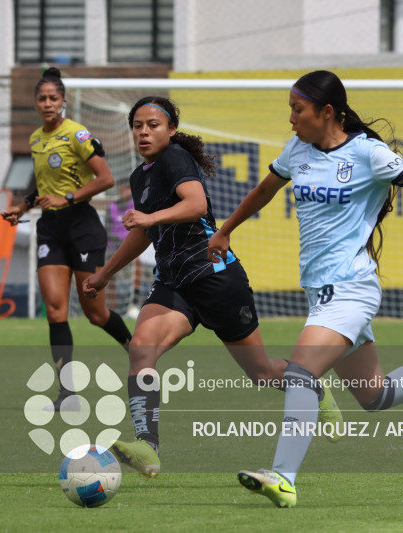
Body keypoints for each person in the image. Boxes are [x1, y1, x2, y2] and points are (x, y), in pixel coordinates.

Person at [206, 70, 403, 508]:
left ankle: (283, 477)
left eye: (298, 110)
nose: (291, 119)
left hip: (350, 288)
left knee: (300, 373)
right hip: (321, 292)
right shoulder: (298, 150)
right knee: (375, 395)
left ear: (327, 111)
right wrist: (225, 231)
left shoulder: (368, 153)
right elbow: (264, 189)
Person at [82, 96, 342, 479]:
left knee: (262, 373)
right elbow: (144, 233)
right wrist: (105, 274)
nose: (144, 131)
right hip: (175, 283)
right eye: (137, 125)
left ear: (171, 130)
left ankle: (313, 385)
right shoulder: (141, 176)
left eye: (153, 124)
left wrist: (150, 216)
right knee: (141, 351)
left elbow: (196, 204)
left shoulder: (174, 159)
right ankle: (147, 447)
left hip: (216, 278)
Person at [1, 67, 133, 411]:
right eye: (42, 98)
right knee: (56, 312)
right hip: (51, 230)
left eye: (53, 98)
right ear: (35, 102)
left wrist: (68, 198)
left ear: (62, 101)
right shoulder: (34, 139)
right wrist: (22, 206)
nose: (47, 103)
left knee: (96, 313)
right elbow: (45, 188)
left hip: (83, 227)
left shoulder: (77, 134)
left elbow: (105, 178)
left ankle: (138, 353)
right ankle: (67, 395)